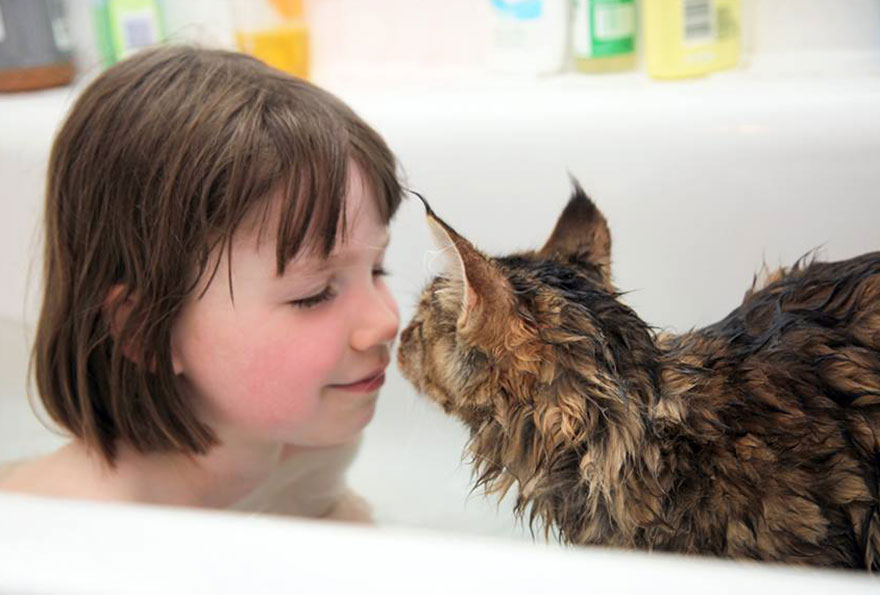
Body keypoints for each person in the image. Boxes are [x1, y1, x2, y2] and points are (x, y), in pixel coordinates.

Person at [0, 45, 402, 521]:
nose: (385, 321)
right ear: (144, 330)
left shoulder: (313, 442)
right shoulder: (76, 525)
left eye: (377, 269)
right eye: (313, 295)